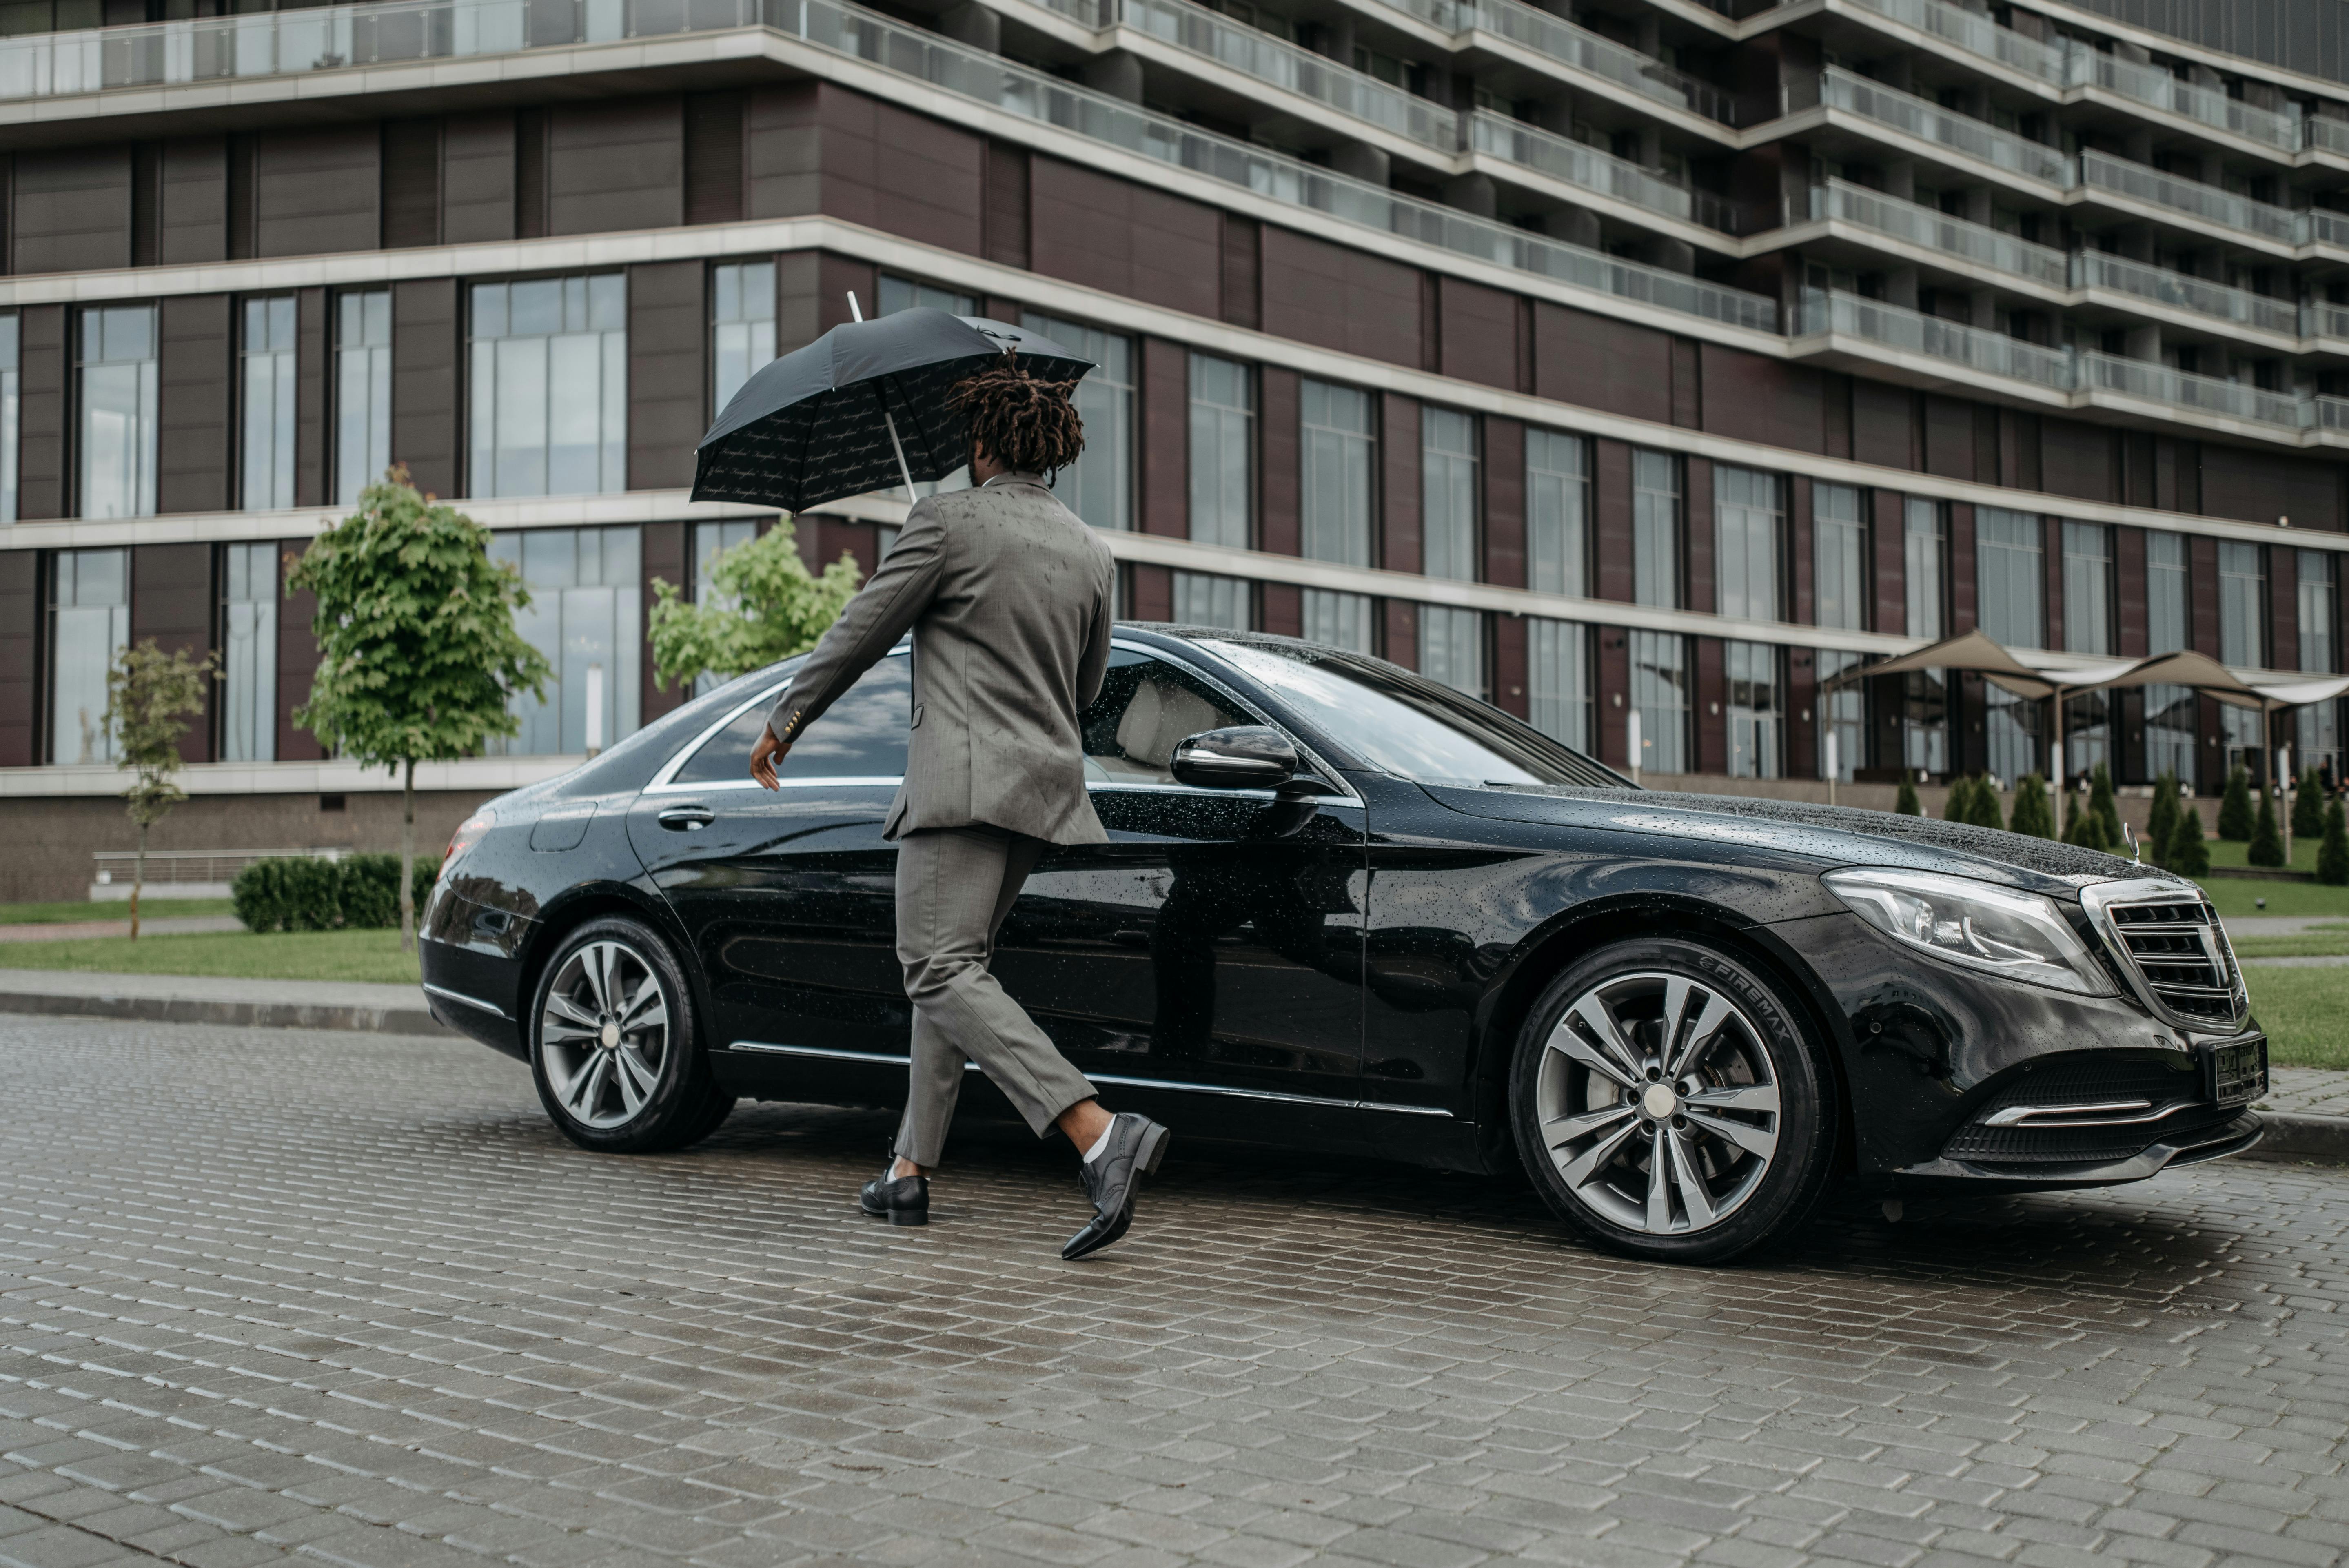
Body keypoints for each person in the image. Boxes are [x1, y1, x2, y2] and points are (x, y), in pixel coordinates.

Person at [748, 358, 1170, 1261]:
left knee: (935, 966)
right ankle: (907, 1169)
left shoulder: (944, 521)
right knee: (954, 968)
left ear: (979, 444)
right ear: (1046, 452)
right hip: (1044, 791)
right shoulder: (1091, 551)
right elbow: (1086, 685)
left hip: (962, 785)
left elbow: (861, 628)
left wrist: (786, 718)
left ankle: (1097, 1130)